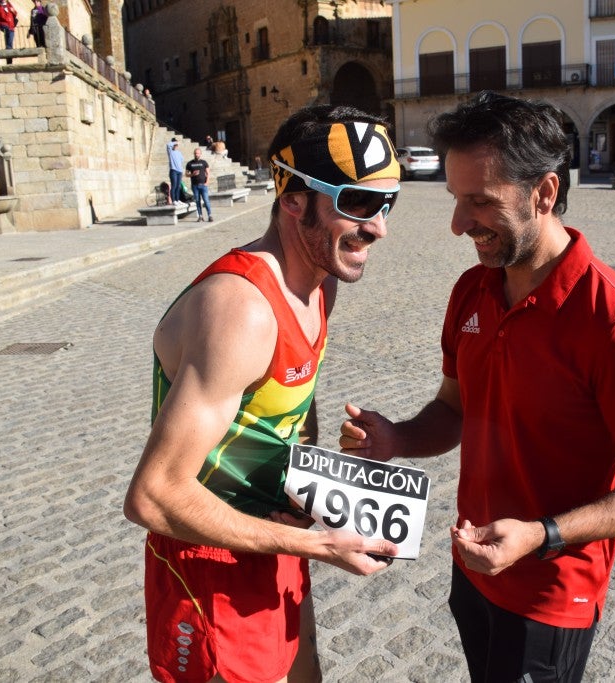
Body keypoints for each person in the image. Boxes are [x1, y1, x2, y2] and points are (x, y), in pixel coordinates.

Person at [339, 91, 615, 683]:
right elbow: (454, 410)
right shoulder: (473, 290)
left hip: (551, 594)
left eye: (479, 202)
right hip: (472, 571)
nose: (456, 225)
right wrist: (396, 437)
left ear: (544, 193)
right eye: (454, 199)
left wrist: (541, 535)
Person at [123, 104, 402, 683]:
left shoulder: (320, 285)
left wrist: (317, 477)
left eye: (385, 203)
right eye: (356, 203)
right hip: (209, 561)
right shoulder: (242, 310)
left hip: (276, 537)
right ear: (292, 196)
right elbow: (152, 497)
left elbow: (289, 405)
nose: (377, 226)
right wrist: (321, 547)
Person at [185, 146, 212, 221]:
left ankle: (210, 215)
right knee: (197, 201)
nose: (197, 155)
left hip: (203, 185)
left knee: (206, 200)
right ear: (194, 154)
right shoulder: (190, 163)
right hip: (195, 185)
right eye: (195, 153)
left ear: (200, 154)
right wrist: (192, 174)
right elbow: (186, 174)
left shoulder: (204, 162)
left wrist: (207, 182)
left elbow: (208, 173)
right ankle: (200, 216)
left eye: (198, 153)